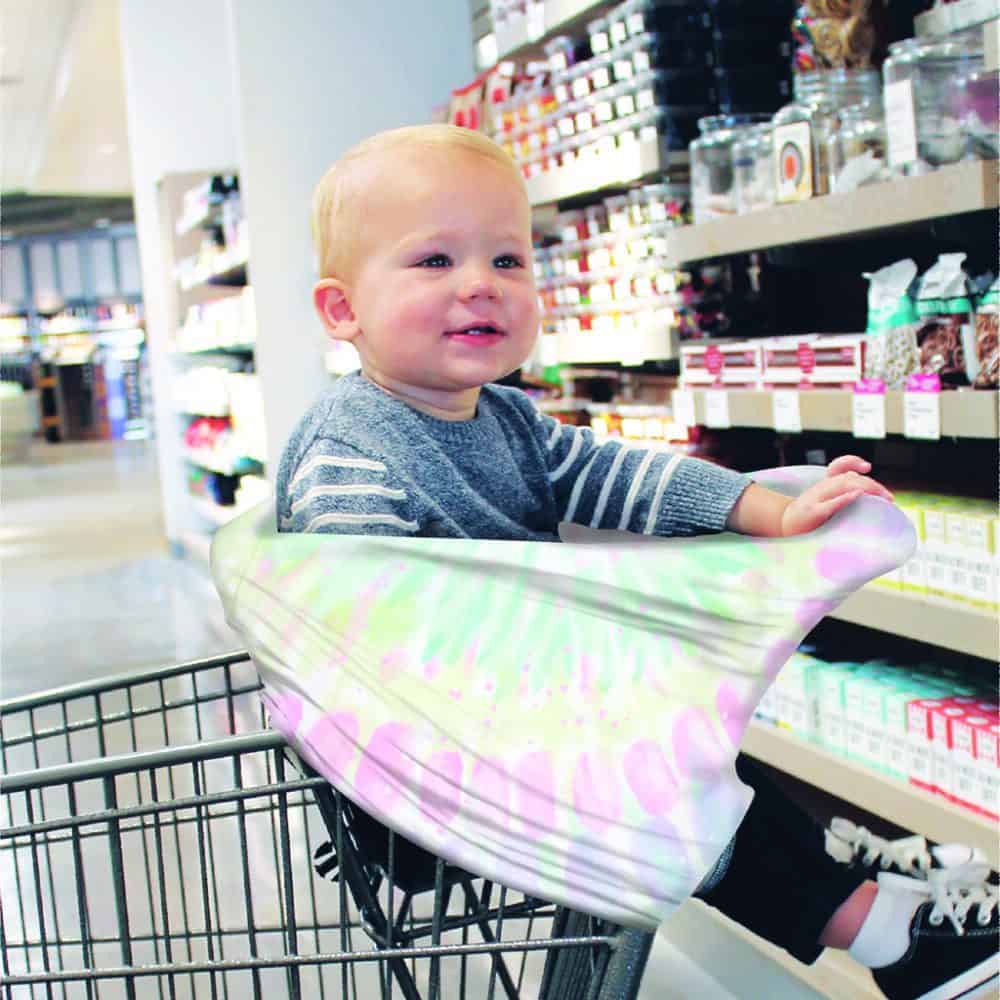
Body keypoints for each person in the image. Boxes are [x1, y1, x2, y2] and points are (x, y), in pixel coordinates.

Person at [276, 123, 998, 999]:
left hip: (512, 730)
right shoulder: (352, 450)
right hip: (423, 766)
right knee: (663, 791)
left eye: (507, 261)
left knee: (689, 753)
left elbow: (608, 473)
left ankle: (881, 905)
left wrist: (764, 509)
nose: (480, 285)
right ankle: (887, 934)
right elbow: (349, 620)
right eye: (433, 261)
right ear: (342, 310)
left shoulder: (502, 419)